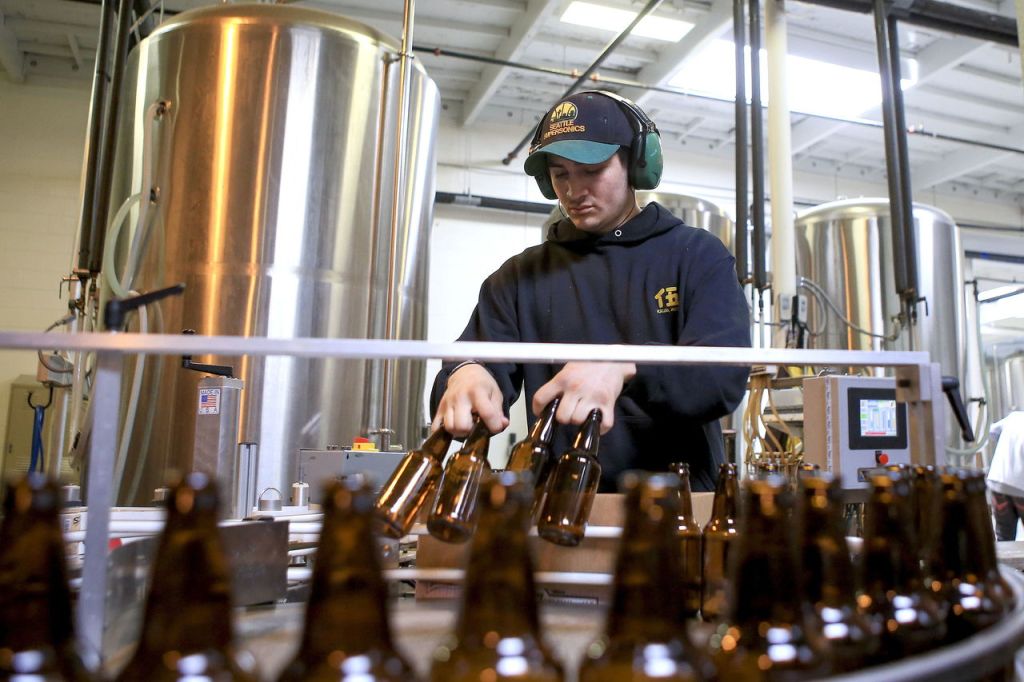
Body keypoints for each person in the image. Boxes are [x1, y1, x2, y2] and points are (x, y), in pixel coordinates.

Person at [429, 90, 751, 491]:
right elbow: (473, 367)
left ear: (636, 165)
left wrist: (625, 365)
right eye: (560, 173)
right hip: (559, 507)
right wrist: (465, 375)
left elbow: (722, 380)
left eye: (591, 170)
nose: (573, 190)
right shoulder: (518, 277)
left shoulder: (695, 255)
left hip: (675, 509)